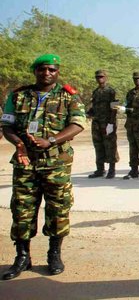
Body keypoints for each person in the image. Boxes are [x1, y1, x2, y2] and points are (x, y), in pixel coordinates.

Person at [1, 54, 87, 279]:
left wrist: (52, 140)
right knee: (21, 209)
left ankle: (54, 254)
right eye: (41, 69)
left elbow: (78, 124)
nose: (46, 73)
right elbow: (7, 125)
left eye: (51, 69)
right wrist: (19, 144)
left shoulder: (69, 96)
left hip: (56, 163)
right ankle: (22, 257)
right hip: (25, 162)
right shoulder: (19, 96)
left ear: (57, 72)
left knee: (58, 208)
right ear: (35, 71)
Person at [87, 69, 119, 179]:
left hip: (108, 122)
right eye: (97, 77)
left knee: (110, 145)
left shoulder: (111, 91)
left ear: (106, 77)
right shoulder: (95, 92)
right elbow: (94, 106)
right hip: (96, 122)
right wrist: (89, 112)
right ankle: (100, 169)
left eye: (101, 76)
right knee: (98, 145)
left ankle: (112, 169)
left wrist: (111, 122)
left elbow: (114, 108)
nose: (99, 79)